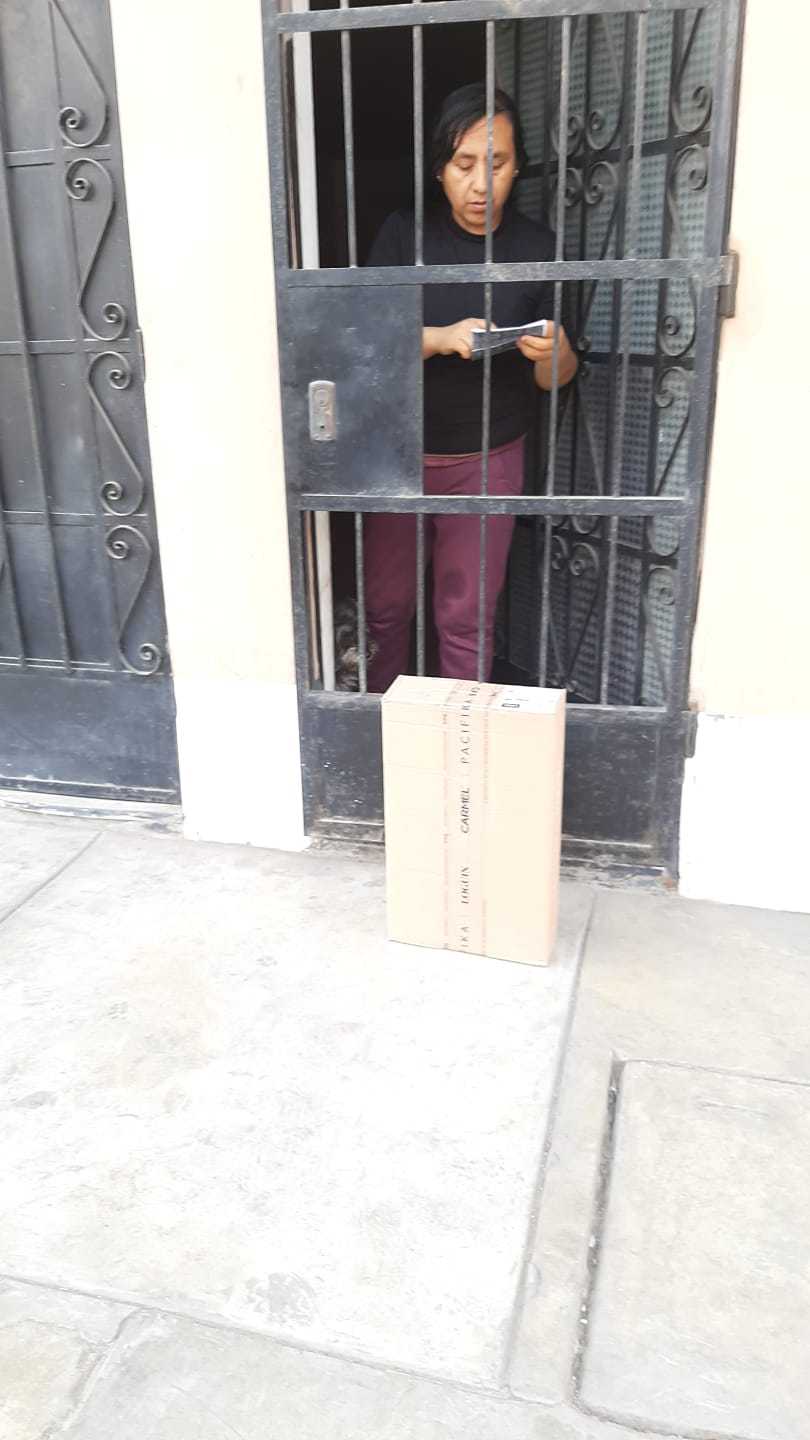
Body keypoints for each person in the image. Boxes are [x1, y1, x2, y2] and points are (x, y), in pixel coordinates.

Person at [363, 83, 577, 694]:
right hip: (398, 457)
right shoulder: (404, 236)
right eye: (464, 165)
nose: (482, 184)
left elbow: (555, 380)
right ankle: (381, 722)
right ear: (439, 167)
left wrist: (558, 352)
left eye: (498, 163)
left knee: (465, 618)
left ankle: (463, 736)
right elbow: (366, 345)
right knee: (385, 608)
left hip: (489, 456)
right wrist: (440, 337)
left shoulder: (539, 250)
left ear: (518, 166)